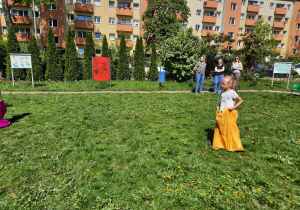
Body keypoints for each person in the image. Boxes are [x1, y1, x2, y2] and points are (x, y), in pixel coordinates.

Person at [212, 76, 244, 152]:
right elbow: (222, 101)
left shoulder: (232, 92)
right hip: (222, 112)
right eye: (221, 84)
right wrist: (219, 107)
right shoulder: (222, 92)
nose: (222, 85)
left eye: (223, 84)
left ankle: (231, 144)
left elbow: (241, 100)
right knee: (221, 128)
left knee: (229, 128)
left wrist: (234, 107)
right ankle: (222, 143)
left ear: (230, 84)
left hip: (229, 113)